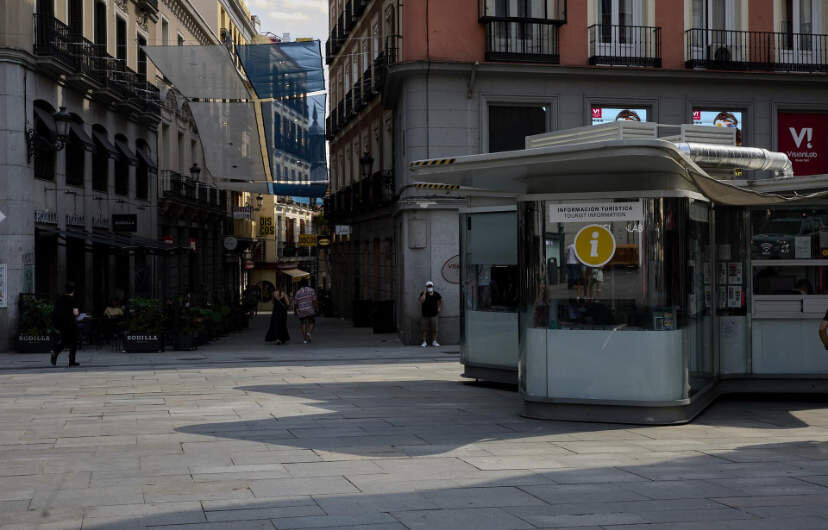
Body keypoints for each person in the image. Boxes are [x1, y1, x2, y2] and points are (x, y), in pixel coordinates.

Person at [51, 282, 80, 367]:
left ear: (65, 289)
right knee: (73, 342)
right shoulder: (73, 299)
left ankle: (55, 352)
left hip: (61, 324)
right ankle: (71, 361)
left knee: (64, 341)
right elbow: (75, 313)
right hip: (71, 323)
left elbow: (55, 311)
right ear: (73, 290)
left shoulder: (59, 299)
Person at [293, 279, 318, 344]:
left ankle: (304, 339)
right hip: (310, 309)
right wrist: (316, 308)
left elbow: (295, 303)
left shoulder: (298, 292)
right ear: (307, 283)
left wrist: (295, 310)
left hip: (301, 310)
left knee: (303, 323)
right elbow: (314, 300)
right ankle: (309, 333)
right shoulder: (312, 290)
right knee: (312, 322)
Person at [419, 281, 442, 347]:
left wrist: (439, 307)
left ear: (432, 286)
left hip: (434, 315)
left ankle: (434, 341)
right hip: (425, 315)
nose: (430, 287)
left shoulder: (436, 294)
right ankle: (424, 341)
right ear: (426, 287)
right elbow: (421, 301)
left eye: (430, 286)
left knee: (435, 329)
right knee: (424, 329)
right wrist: (425, 292)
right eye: (428, 286)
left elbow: (441, 300)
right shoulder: (423, 294)